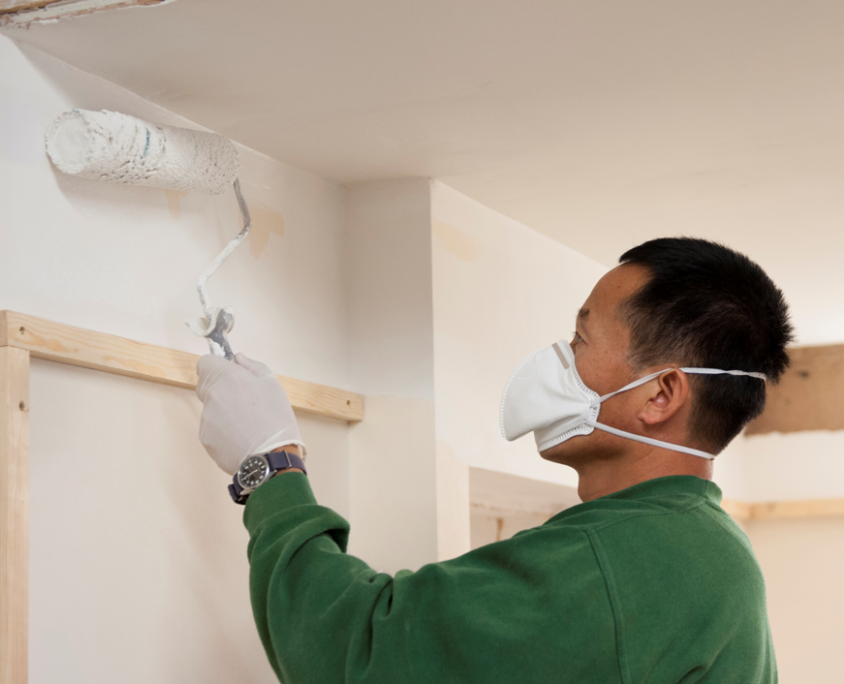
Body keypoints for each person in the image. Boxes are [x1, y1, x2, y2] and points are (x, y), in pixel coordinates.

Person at [194, 237, 791, 683]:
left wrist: (271, 467)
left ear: (660, 395)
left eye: (580, 341)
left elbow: (358, 648)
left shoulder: (612, 561)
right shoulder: (714, 549)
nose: (559, 360)